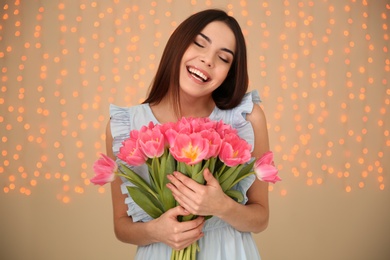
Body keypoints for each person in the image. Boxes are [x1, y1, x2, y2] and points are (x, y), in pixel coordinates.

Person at [106, 9, 270, 259]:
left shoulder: (246, 119)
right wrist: (156, 231)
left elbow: (260, 219)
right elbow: (121, 226)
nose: (208, 61)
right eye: (199, 44)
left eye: (223, 58)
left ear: (229, 73)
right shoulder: (125, 125)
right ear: (178, 44)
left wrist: (222, 206)